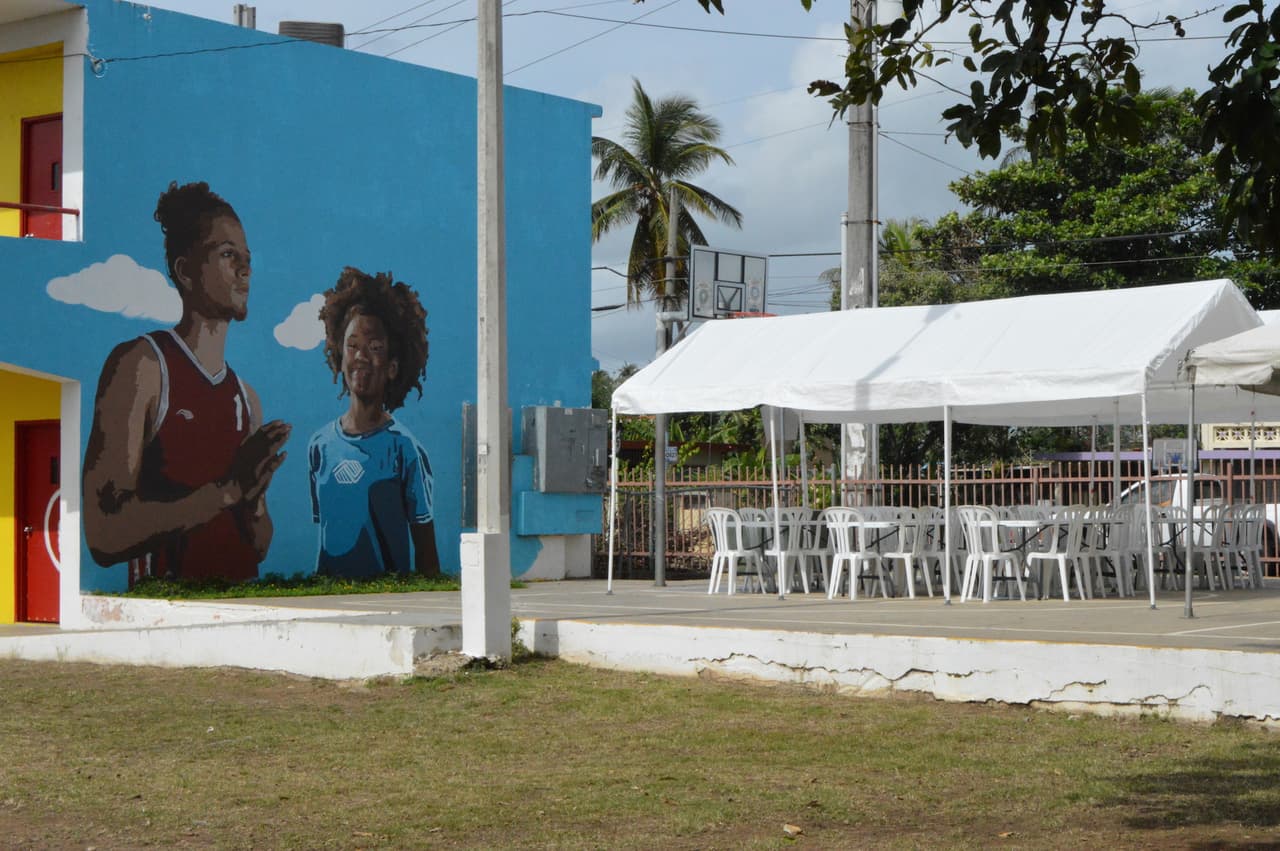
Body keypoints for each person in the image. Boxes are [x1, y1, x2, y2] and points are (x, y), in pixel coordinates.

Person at [82, 181, 290, 585]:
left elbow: (260, 546)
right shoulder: (142, 366)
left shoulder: (246, 399)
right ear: (185, 271)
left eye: (248, 259)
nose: (245, 270)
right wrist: (226, 491)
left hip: (240, 609)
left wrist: (252, 503)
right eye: (228, 255)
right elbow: (103, 532)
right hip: (168, 612)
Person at [308, 267, 440, 579]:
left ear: (392, 367)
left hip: (385, 598)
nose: (361, 356)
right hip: (329, 599)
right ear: (340, 356)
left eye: (375, 347)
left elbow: (426, 550)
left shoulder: (404, 448)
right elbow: (327, 535)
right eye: (352, 345)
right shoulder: (320, 446)